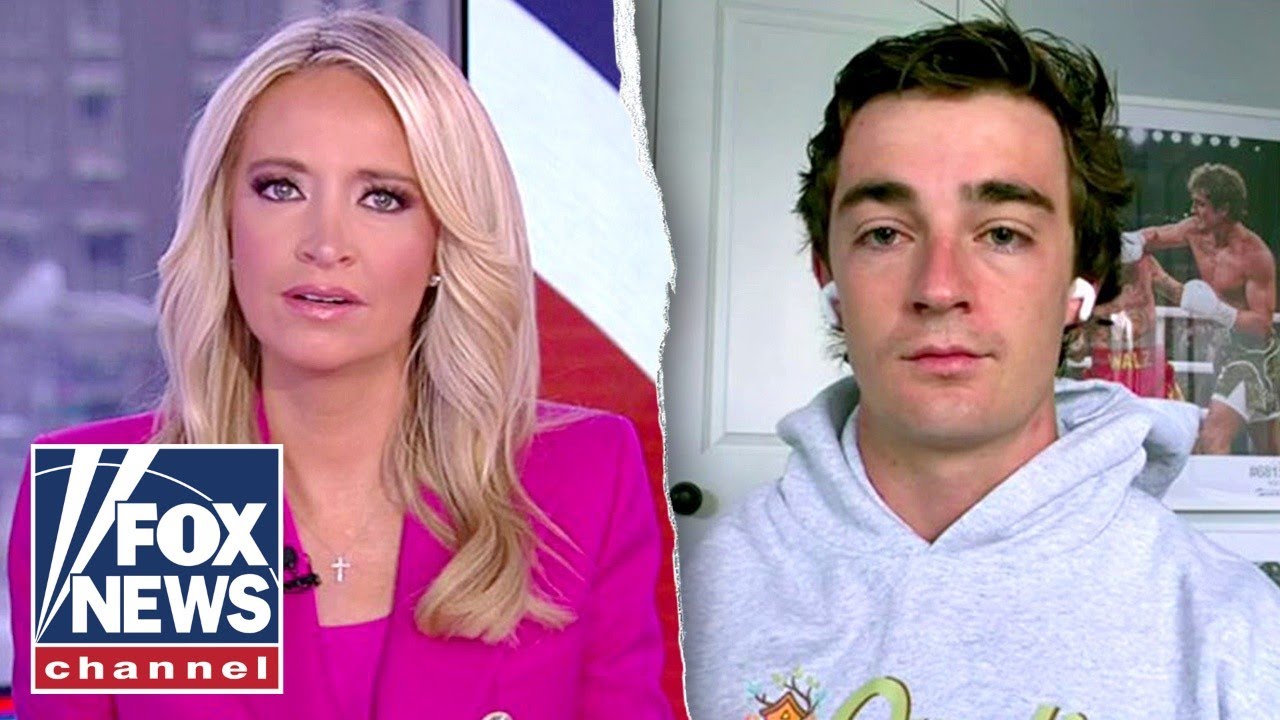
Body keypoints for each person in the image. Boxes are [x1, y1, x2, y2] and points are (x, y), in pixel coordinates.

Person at [8, 10, 671, 719]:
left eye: (382, 198)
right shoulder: (126, 507)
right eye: (280, 188)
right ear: (224, 223)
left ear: (444, 242)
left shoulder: (575, 480)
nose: (325, 244)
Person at [681, 15, 1280, 719]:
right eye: (885, 233)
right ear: (828, 276)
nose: (939, 287)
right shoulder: (675, 607)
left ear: (1081, 285)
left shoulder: (1239, 636)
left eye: (1002, 234)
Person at [1122, 163, 1279, 454]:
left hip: (1254, 356)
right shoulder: (1195, 230)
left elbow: (1263, 324)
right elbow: (1158, 235)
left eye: (1201, 204)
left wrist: (1218, 311)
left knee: (1213, 438)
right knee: (1270, 451)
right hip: (1224, 348)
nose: (1193, 210)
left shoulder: (1254, 255)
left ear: (1224, 210)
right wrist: (1134, 240)